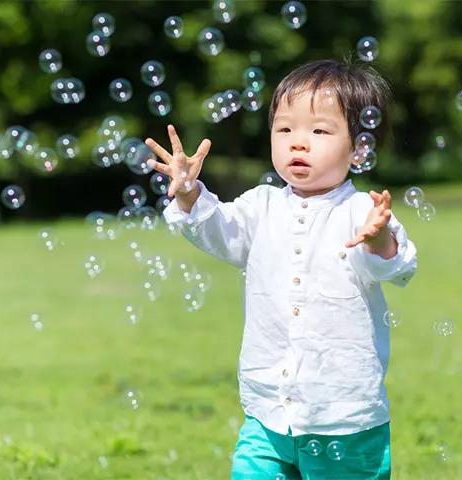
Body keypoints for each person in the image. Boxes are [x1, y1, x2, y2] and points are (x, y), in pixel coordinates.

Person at [146, 57, 418, 480]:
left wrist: (379, 240)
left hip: (343, 419)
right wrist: (188, 194)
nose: (298, 142)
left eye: (320, 131)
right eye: (285, 129)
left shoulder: (362, 212)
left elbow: (396, 268)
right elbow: (218, 230)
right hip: (268, 412)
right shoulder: (262, 205)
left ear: (360, 148)